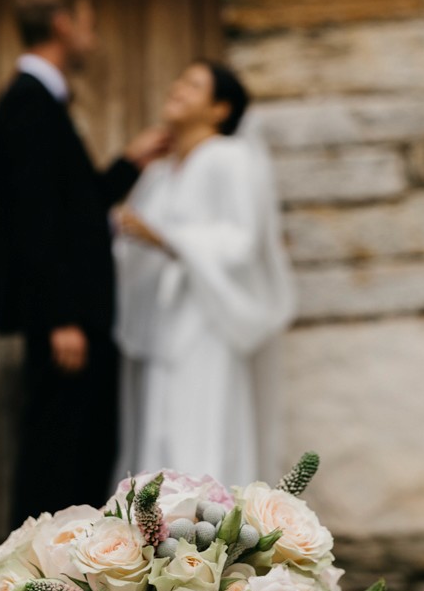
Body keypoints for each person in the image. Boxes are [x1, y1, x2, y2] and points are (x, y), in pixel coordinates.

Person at [0, 0, 168, 523]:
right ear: (63, 24)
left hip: (76, 316)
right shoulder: (28, 104)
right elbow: (35, 220)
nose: (93, 38)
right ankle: (37, 587)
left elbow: (72, 205)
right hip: (67, 321)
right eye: (88, 23)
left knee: (80, 450)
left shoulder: (39, 103)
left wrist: (130, 161)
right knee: (58, 456)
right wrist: (59, 315)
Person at [114, 59, 296, 487]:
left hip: (207, 319)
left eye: (193, 85)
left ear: (220, 109)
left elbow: (241, 240)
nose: (177, 88)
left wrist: (164, 238)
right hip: (164, 317)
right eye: (179, 79)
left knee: (200, 423)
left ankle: (207, 539)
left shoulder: (230, 159)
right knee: (159, 427)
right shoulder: (159, 174)